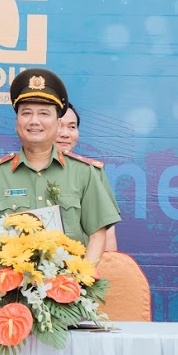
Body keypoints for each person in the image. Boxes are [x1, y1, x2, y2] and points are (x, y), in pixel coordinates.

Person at [0, 69, 120, 264]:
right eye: (26, 113)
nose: (34, 121)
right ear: (17, 122)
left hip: (69, 282)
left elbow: (98, 235)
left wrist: (81, 278)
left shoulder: (84, 172)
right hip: (10, 283)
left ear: (58, 123)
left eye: (44, 113)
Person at [56, 103, 119, 253]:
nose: (65, 134)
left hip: (81, 265)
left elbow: (108, 236)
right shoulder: (13, 170)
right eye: (59, 126)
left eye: (72, 127)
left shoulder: (92, 172)